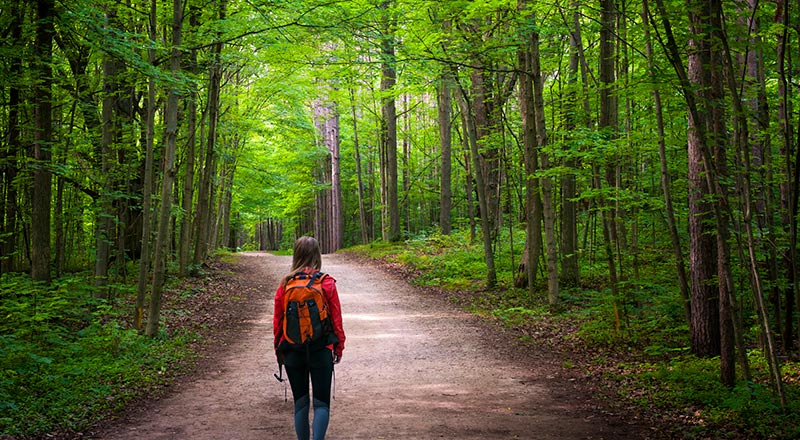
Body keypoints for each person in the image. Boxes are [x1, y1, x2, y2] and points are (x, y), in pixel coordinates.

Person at [273, 236, 345, 440]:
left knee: (301, 403)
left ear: (296, 254)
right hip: (321, 349)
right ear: (317, 255)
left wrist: (279, 350)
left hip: (292, 350)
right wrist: (338, 347)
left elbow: (278, 321)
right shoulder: (326, 282)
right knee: (321, 404)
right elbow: (336, 318)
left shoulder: (285, 284)